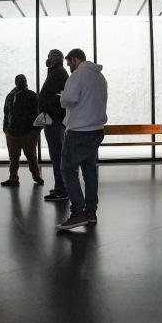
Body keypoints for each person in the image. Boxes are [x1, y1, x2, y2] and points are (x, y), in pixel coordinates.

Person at [55, 49, 107, 231]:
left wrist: (62, 98)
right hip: (97, 130)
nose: (69, 67)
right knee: (90, 171)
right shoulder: (100, 77)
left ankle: (77, 213)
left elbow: (69, 99)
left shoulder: (77, 76)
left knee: (67, 170)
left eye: (70, 63)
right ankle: (91, 212)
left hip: (79, 131)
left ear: (76, 60)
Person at [1, 74, 43, 187]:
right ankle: (15, 177)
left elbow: (39, 113)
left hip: (27, 132)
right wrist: (6, 128)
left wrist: (36, 130)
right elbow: (6, 113)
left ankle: (33, 175)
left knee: (29, 155)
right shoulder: (13, 96)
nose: (21, 82)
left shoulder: (29, 96)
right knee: (16, 156)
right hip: (15, 131)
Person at [39, 49, 69, 201]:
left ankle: (62, 189)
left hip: (55, 120)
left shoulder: (58, 73)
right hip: (53, 119)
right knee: (56, 155)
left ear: (56, 59)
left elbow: (58, 97)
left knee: (57, 155)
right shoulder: (56, 72)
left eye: (50, 56)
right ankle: (60, 186)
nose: (47, 58)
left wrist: (46, 108)